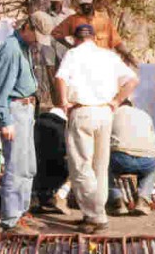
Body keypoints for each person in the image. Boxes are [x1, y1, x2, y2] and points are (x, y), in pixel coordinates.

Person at [55, 24, 139, 234]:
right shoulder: (108, 56)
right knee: (100, 166)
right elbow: (132, 79)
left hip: (82, 110)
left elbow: (60, 77)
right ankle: (92, 213)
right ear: (94, 38)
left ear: (75, 39)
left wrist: (64, 102)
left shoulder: (73, 54)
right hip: (104, 112)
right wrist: (116, 102)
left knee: (81, 166)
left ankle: (96, 215)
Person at [0, 18, 42, 233]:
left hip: (26, 109)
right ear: (27, 27)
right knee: (15, 167)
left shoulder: (24, 47)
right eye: (36, 34)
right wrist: (5, 121)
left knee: (28, 165)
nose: (38, 41)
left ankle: (21, 211)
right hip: (15, 111)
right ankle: (10, 220)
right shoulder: (11, 49)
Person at [50, 0, 137, 67]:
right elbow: (55, 33)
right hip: (82, 65)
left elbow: (117, 42)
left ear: (93, 2)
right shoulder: (73, 20)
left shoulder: (104, 20)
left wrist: (129, 56)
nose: (85, 7)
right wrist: (70, 46)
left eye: (88, 4)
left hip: (102, 64)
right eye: (82, 5)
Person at [106, 101, 155, 217]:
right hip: (148, 160)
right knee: (151, 170)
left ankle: (117, 201)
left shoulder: (111, 113)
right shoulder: (144, 115)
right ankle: (143, 200)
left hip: (120, 158)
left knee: (102, 166)